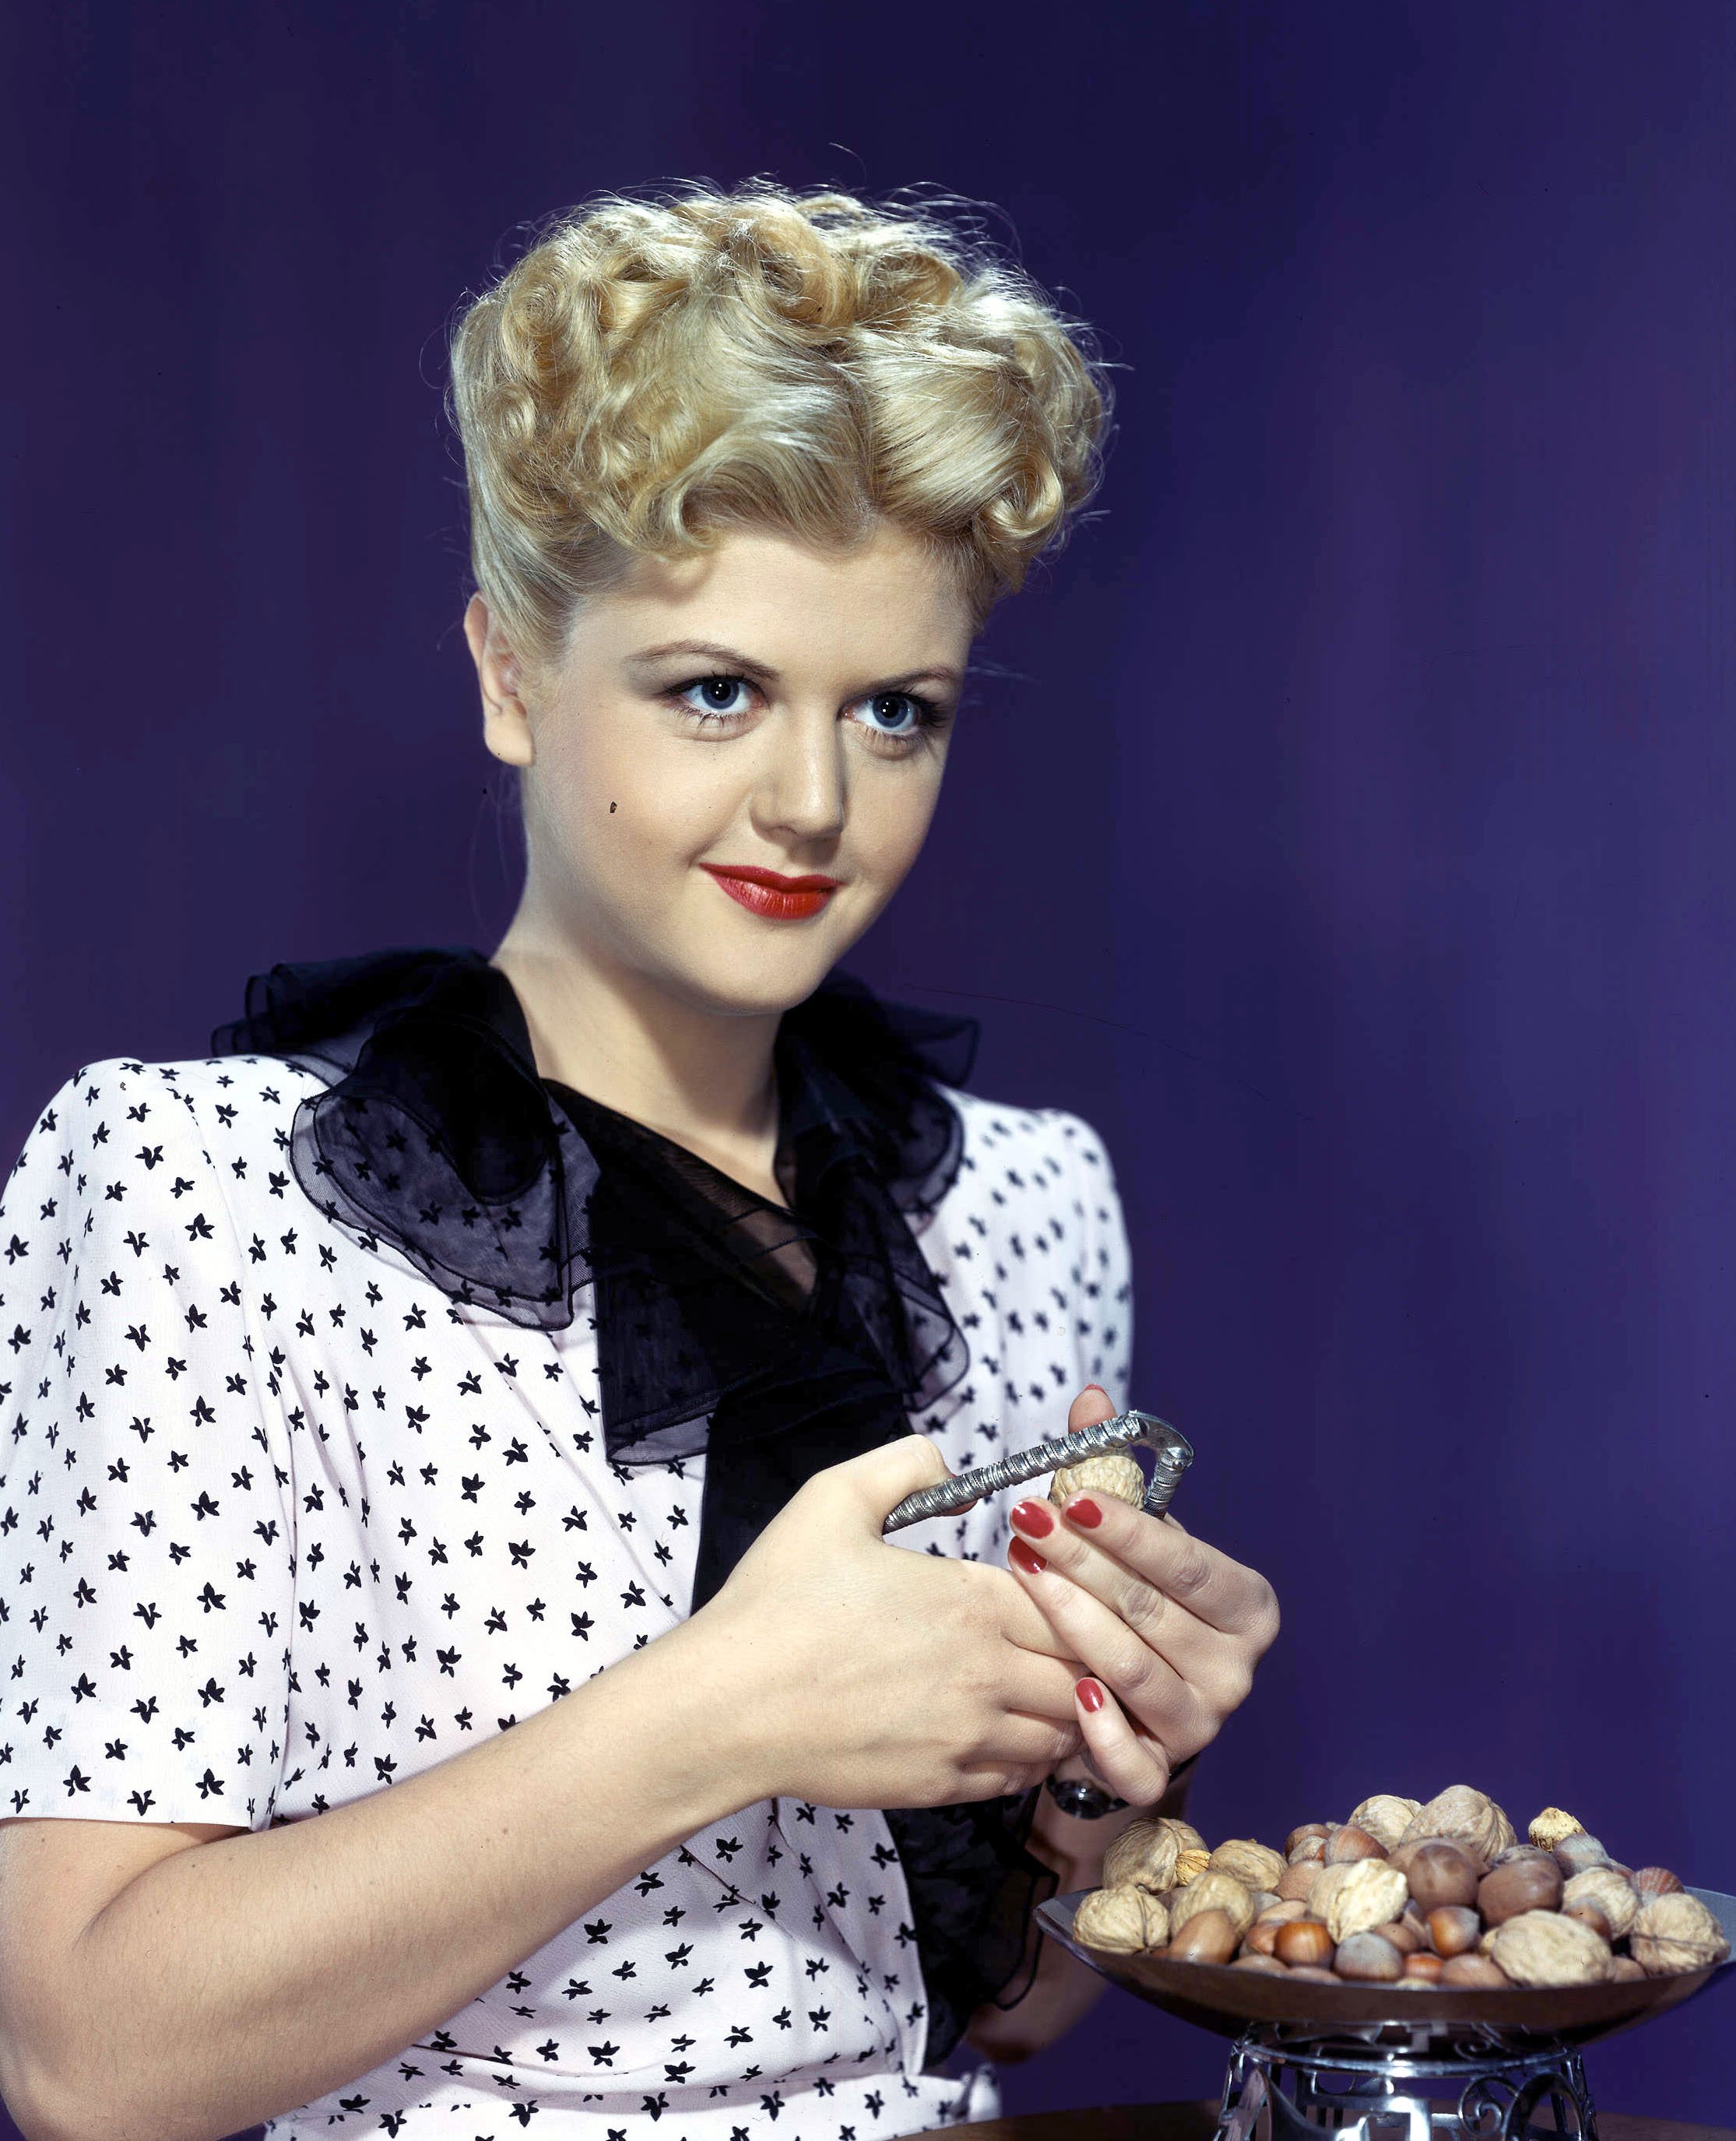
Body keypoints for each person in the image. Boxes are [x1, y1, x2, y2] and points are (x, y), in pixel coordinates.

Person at [0, 182, 1280, 2141]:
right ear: (513, 673)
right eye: (713, 690)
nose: (811, 800)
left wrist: (1114, 1780)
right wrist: (714, 1716)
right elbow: (85, 2061)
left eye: (895, 711)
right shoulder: (196, 1194)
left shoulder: (1018, 1201)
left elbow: (988, 2023)